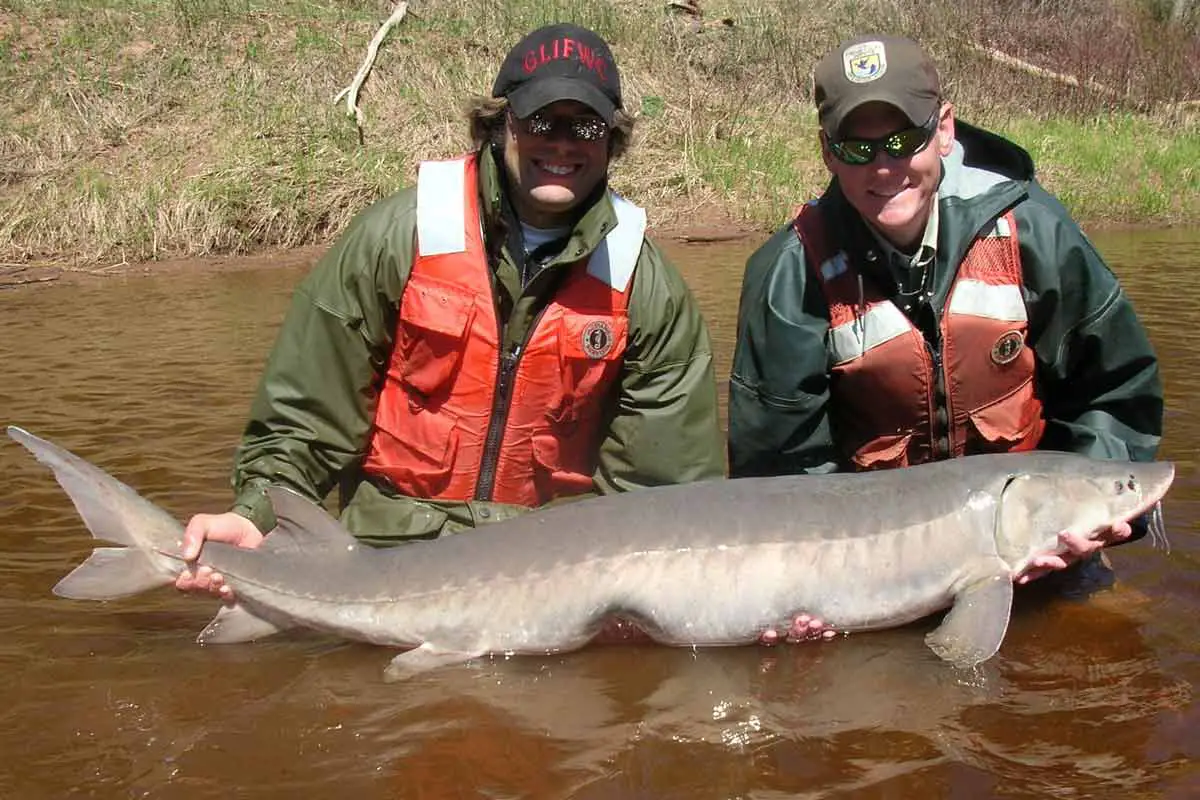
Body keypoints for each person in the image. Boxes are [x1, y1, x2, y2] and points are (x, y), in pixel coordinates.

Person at [176, 23, 725, 601]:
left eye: (585, 126)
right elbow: (305, 422)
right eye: (541, 121)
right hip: (381, 564)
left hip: (543, 583)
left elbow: (665, 494)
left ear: (611, 142)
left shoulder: (647, 287)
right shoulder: (395, 240)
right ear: (498, 124)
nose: (562, 144)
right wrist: (258, 514)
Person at [729, 34, 1163, 616]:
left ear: (944, 130)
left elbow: (1117, 395)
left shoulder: (1033, 230)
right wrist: (799, 593)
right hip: (868, 569)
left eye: (903, 140)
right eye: (857, 150)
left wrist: (1096, 521)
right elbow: (778, 470)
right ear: (827, 152)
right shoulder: (789, 272)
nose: (883, 167)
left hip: (1043, 539)